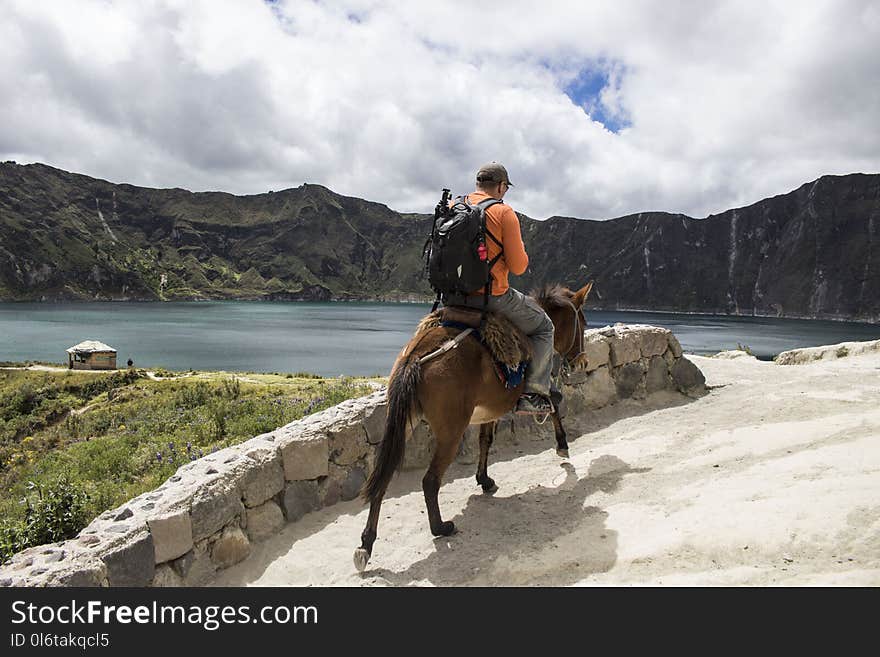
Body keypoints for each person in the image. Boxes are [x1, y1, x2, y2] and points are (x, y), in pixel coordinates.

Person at [444, 162, 555, 414]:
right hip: (491, 297)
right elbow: (518, 267)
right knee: (544, 326)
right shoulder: (504, 213)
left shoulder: (453, 206)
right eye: (505, 188)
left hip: (451, 298)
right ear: (501, 186)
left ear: (478, 183)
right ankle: (533, 392)